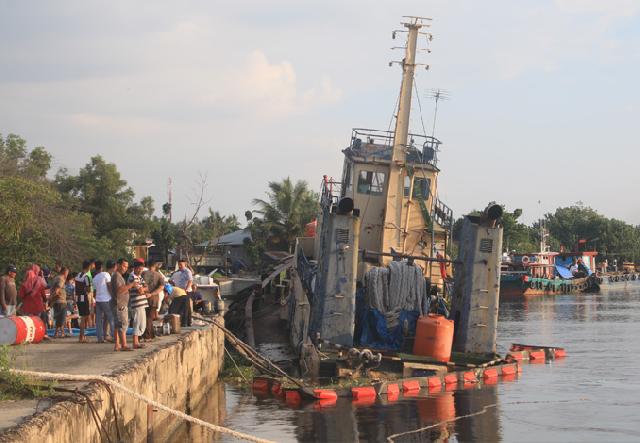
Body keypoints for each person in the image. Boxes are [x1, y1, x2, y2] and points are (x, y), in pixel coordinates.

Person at [112, 258, 137, 351]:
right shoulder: (117, 276)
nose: (125, 268)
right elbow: (120, 290)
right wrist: (131, 285)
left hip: (118, 303)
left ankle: (117, 344)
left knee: (118, 325)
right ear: (118, 265)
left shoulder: (118, 276)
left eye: (126, 267)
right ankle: (124, 345)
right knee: (123, 324)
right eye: (123, 266)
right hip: (120, 304)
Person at [128, 259, 148, 349]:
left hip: (142, 303)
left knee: (142, 323)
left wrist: (143, 289)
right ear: (135, 268)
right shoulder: (132, 277)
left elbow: (146, 287)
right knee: (137, 322)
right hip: (136, 304)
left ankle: (137, 341)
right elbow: (140, 291)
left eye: (142, 268)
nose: (140, 270)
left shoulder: (139, 277)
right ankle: (135, 342)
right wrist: (143, 289)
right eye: (139, 268)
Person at [93, 261, 115, 344]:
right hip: (106, 299)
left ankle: (100, 338)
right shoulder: (106, 274)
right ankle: (114, 335)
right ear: (102, 267)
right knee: (111, 318)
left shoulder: (95, 278)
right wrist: (113, 296)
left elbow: (95, 291)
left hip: (98, 300)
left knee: (99, 320)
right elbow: (109, 286)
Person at [142, 261, 164, 340]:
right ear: (155, 266)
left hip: (143, 297)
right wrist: (152, 294)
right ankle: (147, 336)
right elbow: (161, 287)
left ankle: (150, 334)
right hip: (153, 298)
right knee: (149, 317)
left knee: (145, 317)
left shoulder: (143, 273)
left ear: (147, 265)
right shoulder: (158, 275)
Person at [75, 260, 93, 343]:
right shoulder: (86, 277)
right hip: (83, 297)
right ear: (88, 267)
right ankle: (81, 337)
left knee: (84, 316)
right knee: (83, 317)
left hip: (78, 297)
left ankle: (83, 336)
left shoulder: (77, 275)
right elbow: (88, 288)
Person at [50, 267, 69, 338]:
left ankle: (61, 333)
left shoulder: (56, 278)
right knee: (61, 317)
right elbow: (57, 289)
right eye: (67, 273)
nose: (67, 275)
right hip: (60, 300)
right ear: (64, 272)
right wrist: (51, 298)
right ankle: (57, 333)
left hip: (57, 301)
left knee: (59, 317)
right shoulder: (61, 279)